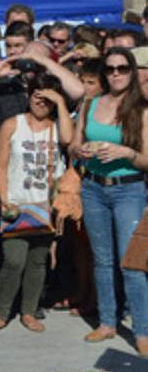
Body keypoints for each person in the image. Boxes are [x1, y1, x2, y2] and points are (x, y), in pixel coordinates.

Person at [0, 41, 84, 316]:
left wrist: (46, 63)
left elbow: (78, 90)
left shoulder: (52, 85)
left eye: (35, 58)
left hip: (34, 172)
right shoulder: (2, 81)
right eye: (24, 56)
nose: (29, 63)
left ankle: (31, 300)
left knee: (35, 239)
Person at [69, 48, 148, 355]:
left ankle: (142, 330)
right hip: (93, 188)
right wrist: (82, 151)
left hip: (128, 189)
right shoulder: (89, 104)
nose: (116, 73)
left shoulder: (141, 110)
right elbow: (74, 144)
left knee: (131, 264)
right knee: (101, 260)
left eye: (122, 68)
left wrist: (125, 153)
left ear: (131, 72)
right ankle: (107, 322)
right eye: (111, 68)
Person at [0, 73, 73, 334]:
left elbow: (68, 141)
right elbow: (0, 165)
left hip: (46, 205)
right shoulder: (13, 124)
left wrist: (61, 103)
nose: (41, 103)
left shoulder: (58, 127)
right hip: (17, 203)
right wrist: (4, 198)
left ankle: (29, 312)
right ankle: (2, 313)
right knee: (13, 260)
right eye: (37, 95)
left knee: (38, 260)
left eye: (48, 99)